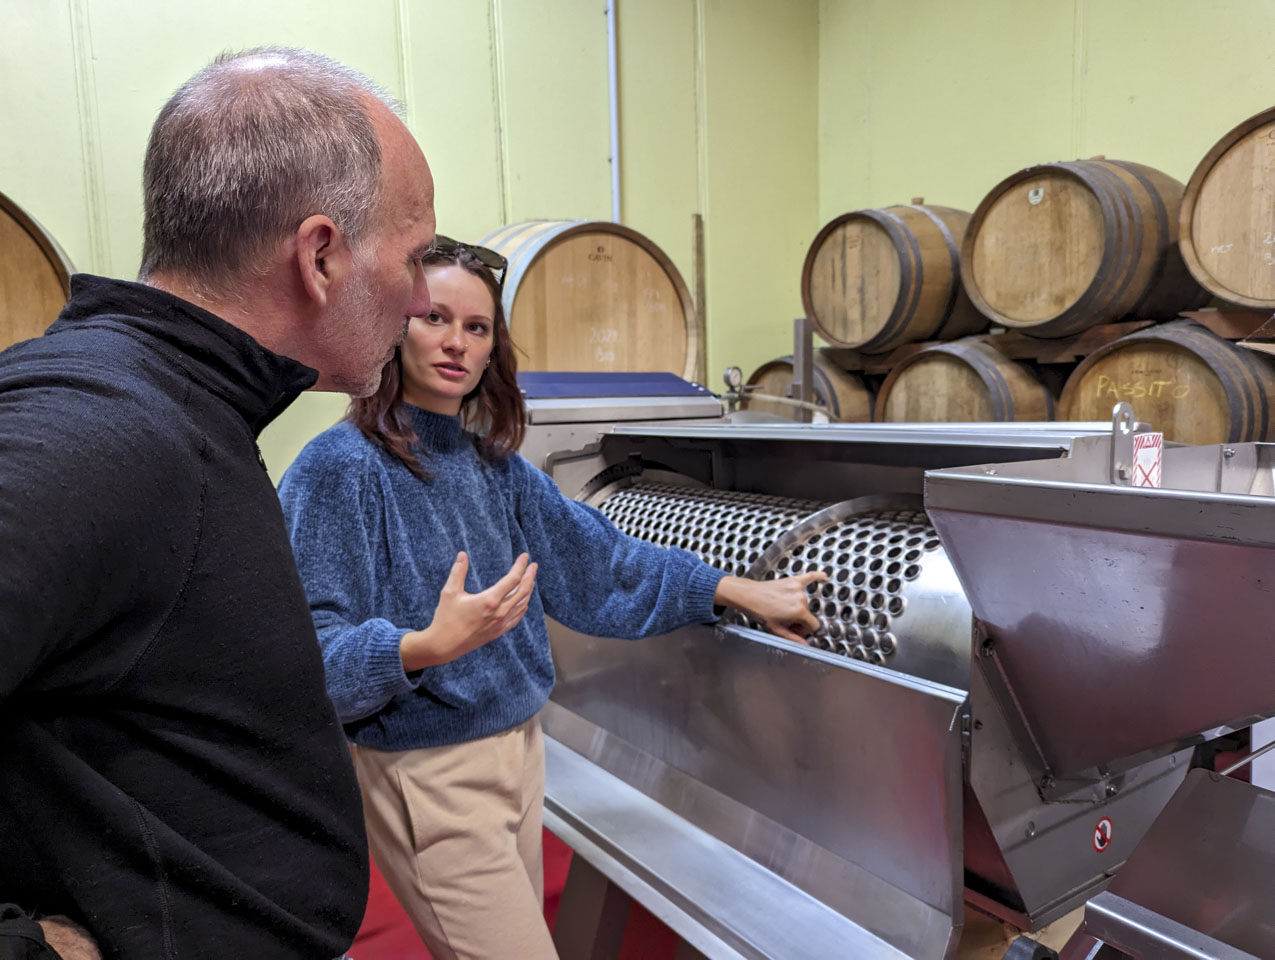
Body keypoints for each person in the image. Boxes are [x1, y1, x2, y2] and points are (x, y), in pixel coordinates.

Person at [0, 46, 447, 960]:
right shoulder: (102, 431)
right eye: (413, 259)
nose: (416, 299)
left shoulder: (175, 404)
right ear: (321, 255)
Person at [277, 238, 825, 959]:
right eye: (434, 318)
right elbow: (305, 658)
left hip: (519, 751)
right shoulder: (339, 469)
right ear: (393, 325)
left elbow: (600, 564)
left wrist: (732, 588)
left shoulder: (489, 466)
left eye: (476, 328)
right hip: (429, 772)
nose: (456, 344)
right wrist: (423, 647)